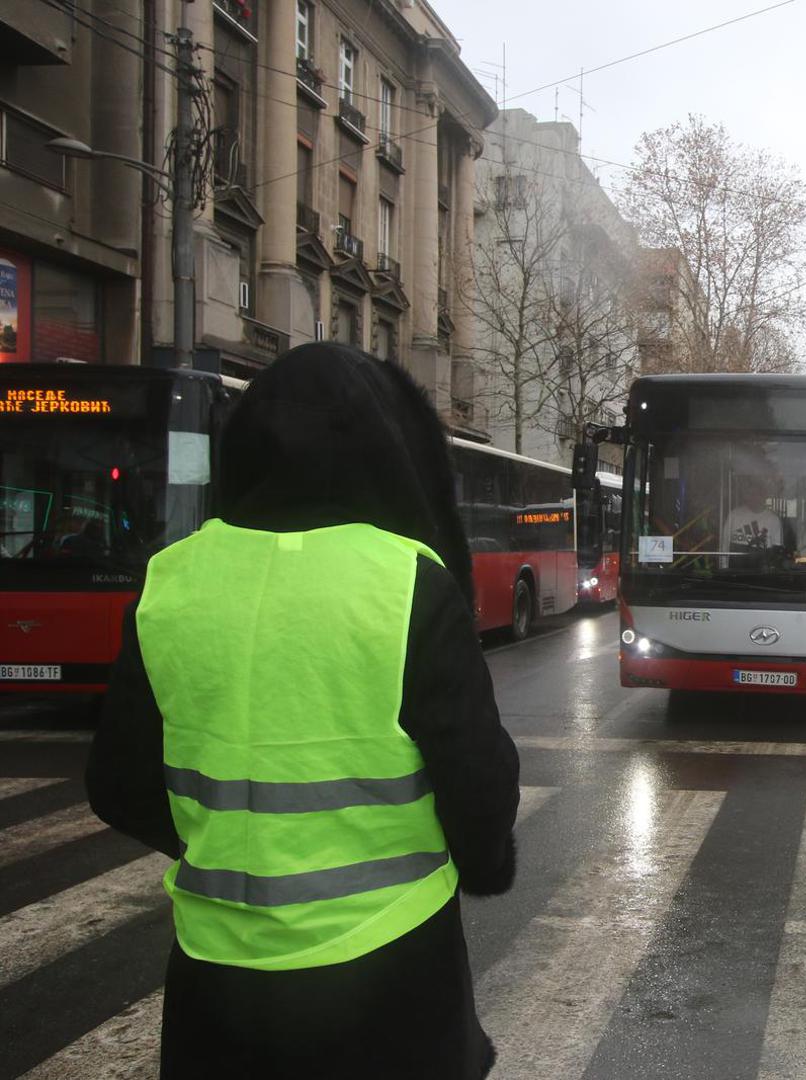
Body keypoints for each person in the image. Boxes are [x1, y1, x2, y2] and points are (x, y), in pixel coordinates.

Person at [86, 343, 519, 1079]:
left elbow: (119, 785)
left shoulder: (172, 581)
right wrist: (483, 862)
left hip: (215, 985)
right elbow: (477, 784)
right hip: (392, 975)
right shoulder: (407, 580)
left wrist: (227, 850)